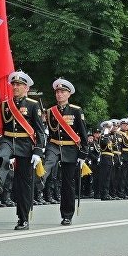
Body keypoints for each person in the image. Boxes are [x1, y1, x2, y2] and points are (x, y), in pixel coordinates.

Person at [0, 71, 46, 230]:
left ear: (26, 88)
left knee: (23, 185)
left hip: (25, 145)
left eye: (19, 85)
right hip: (8, 140)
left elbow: (40, 131)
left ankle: (23, 218)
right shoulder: (5, 104)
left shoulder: (32, 105)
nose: (15, 87)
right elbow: (1, 127)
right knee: (2, 155)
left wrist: (38, 151)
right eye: (14, 84)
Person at [41, 78, 88, 225]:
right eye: (57, 92)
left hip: (70, 148)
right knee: (47, 164)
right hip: (54, 146)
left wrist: (83, 154)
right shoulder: (50, 112)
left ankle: (67, 214)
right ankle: (39, 180)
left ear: (69, 94)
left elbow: (83, 133)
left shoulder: (76, 110)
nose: (59, 94)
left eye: (63, 92)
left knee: (68, 183)